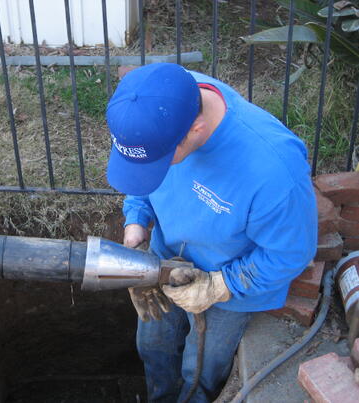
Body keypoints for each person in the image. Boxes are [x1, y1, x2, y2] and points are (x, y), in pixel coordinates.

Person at [105, 63, 317, 403]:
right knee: (152, 346)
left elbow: (290, 252)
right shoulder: (159, 100)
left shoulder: (274, 170)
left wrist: (220, 285)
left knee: (200, 370)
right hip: (164, 257)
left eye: (162, 159)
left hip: (229, 279)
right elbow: (143, 169)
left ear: (196, 129)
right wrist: (136, 223)